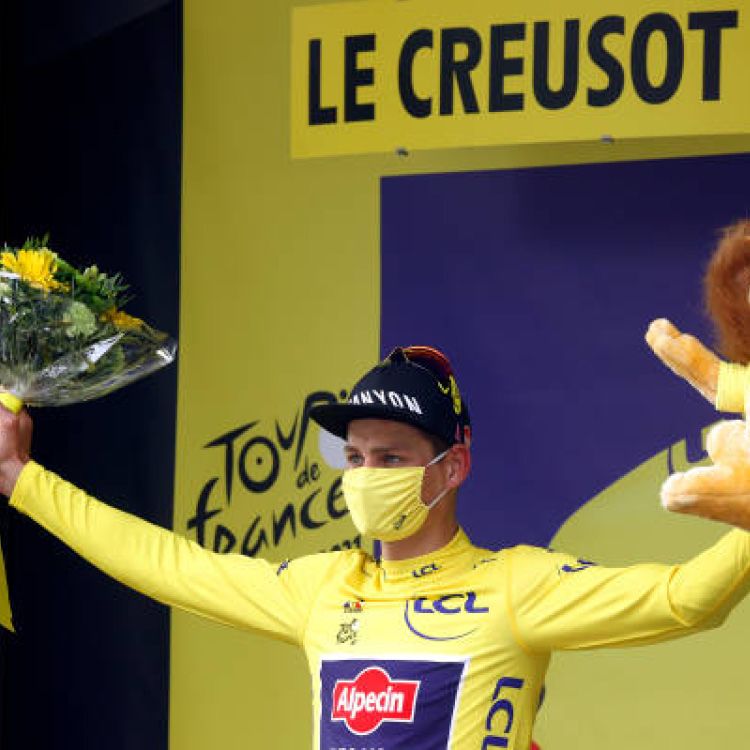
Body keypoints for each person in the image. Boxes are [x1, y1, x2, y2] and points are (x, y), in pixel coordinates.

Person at [1, 345, 750, 750]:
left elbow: (688, 600)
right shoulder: (321, 589)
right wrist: (22, 480)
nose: (364, 476)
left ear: (452, 467)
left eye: (390, 458)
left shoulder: (517, 586)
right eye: (354, 457)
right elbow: (165, 565)